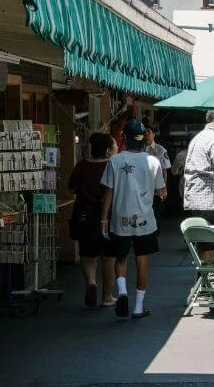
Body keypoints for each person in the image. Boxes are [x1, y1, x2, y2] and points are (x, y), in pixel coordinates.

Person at [100, 120, 167, 320]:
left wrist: (103, 219)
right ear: (144, 140)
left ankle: (121, 292)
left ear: (124, 139)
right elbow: (161, 192)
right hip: (145, 219)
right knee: (142, 260)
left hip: (120, 217)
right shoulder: (153, 161)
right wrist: (161, 194)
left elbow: (108, 192)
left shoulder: (115, 160)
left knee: (120, 258)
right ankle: (138, 307)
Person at [69, 132, 117, 308]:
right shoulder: (112, 165)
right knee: (108, 256)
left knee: (87, 254)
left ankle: (91, 282)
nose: (117, 148)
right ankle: (107, 297)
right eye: (114, 146)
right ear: (107, 150)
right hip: (108, 216)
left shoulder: (82, 165)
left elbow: (72, 188)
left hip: (83, 215)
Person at [145, 125, 172, 214]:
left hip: (155, 186)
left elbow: (164, 171)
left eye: (149, 132)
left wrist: (164, 189)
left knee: (154, 212)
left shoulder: (160, 150)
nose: (146, 134)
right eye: (145, 132)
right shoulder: (139, 149)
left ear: (154, 134)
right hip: (142, 186)